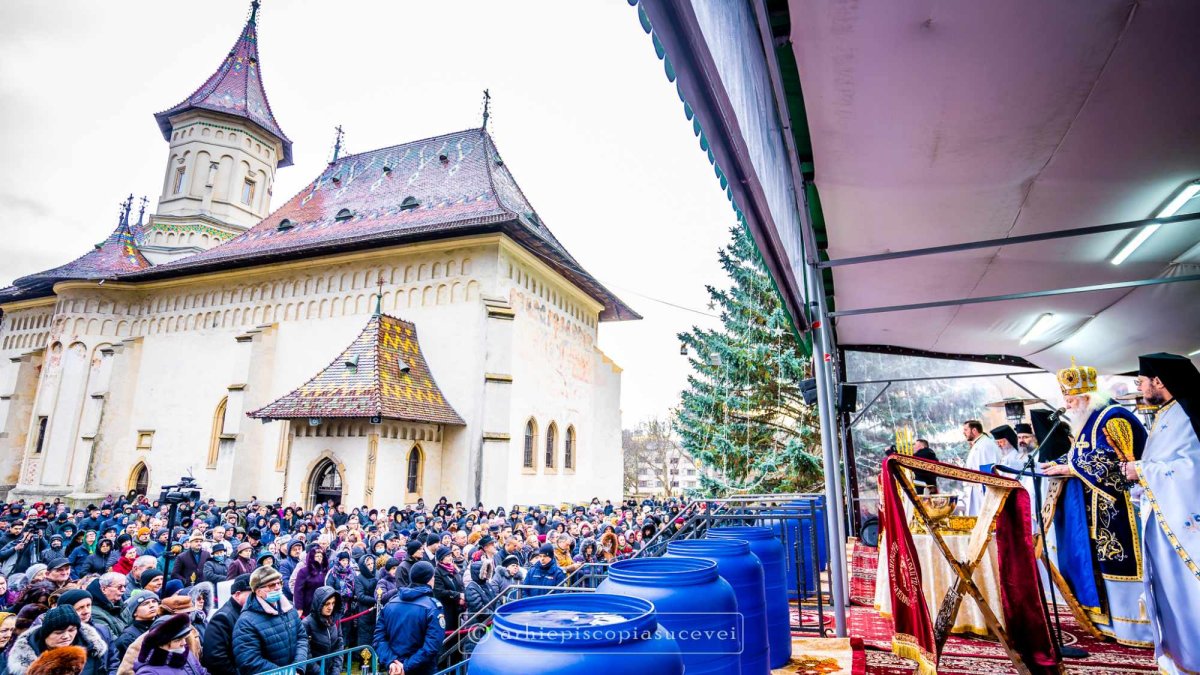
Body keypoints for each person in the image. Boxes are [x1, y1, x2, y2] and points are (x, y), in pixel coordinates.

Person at [1040, 358, 1151, 647]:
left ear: (1087, 397)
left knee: (1121, 560)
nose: (1067, 406)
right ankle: (1112, 624)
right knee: (1101, 563)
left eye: (1071, 400)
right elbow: (1081, 454)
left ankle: (1137, 628)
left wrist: (1070, 468)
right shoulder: (1087, 419)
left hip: (1122, 506)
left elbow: (1119, 463)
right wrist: (1059, 463)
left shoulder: (1113, 417)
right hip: (1095, 506)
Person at [1124, 353, 1200, 674]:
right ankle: (1182, 658)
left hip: (1185, 525)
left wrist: (1141, 470)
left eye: (1142, 381)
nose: (1139, 387)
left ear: (1159, 381)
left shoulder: (1187, 412)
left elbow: (1192, 467)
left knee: (1190, 593)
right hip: (1165, 519)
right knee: (1174, 594)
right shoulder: (1166, 412)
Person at [231, 565, 307, 675]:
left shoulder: (289, 608)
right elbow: (249, 660)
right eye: (272, 585)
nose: (277, 587)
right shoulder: (246, 622)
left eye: (279, 583)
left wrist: (298, 668)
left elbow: (302, 637)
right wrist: (286, 673)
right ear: (258, 591)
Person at [373, 561, 443, 675]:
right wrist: (403, 665)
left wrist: (392, 661)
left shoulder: (391, 604)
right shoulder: (432, 607)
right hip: (421, 669)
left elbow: (379, 638)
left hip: (396, 668)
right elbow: (432, 645)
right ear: (429, 579)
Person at [7, 606, 107, 675]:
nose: (66, 636)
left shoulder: (91, 649)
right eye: (59, 632)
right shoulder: (23, 659)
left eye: (72, 630)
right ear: (46, 634)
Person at [200, 574, 249, 675]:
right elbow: (215, 658)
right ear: (237, 594)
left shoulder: (246, 612)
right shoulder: (222, 618)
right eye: (252, 594)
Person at [132, 614, 207, 675]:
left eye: (184, 638)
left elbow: (202, 672)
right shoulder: (148, 672)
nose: (184, 643)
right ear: (160, 644)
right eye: (178, 640)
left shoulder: (186, 654)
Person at [960, 420, 1002, 515]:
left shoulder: (985, 444)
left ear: (974, 430)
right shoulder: (979, 443)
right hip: (975, 489)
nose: (964, 433)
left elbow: (987, 470)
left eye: (966, 430)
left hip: (982, 490)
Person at [300, 587, 343, 675]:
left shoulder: (334, 620)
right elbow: (306, 654)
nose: (330, 607)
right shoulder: (306, 624)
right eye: (327, 604)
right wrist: (320, 672)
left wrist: (335, 671)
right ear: (319, 603)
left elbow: (339, 646)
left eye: (333, 603)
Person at [85, 575, 126, 640]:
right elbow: (112, 642)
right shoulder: (94, 613)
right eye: (119, 587)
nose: (123, 590)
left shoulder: (122, 605)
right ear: (104, 589)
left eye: (124, 586)